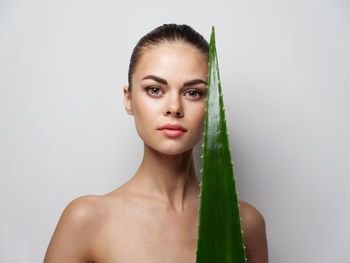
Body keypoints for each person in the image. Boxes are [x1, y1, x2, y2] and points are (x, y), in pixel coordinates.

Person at [44, 24, 268, 263]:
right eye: (155, 90)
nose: (174, 108)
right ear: (129, 99)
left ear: (212, 104)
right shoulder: (87, 219)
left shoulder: (245, 223)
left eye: (193, 93)